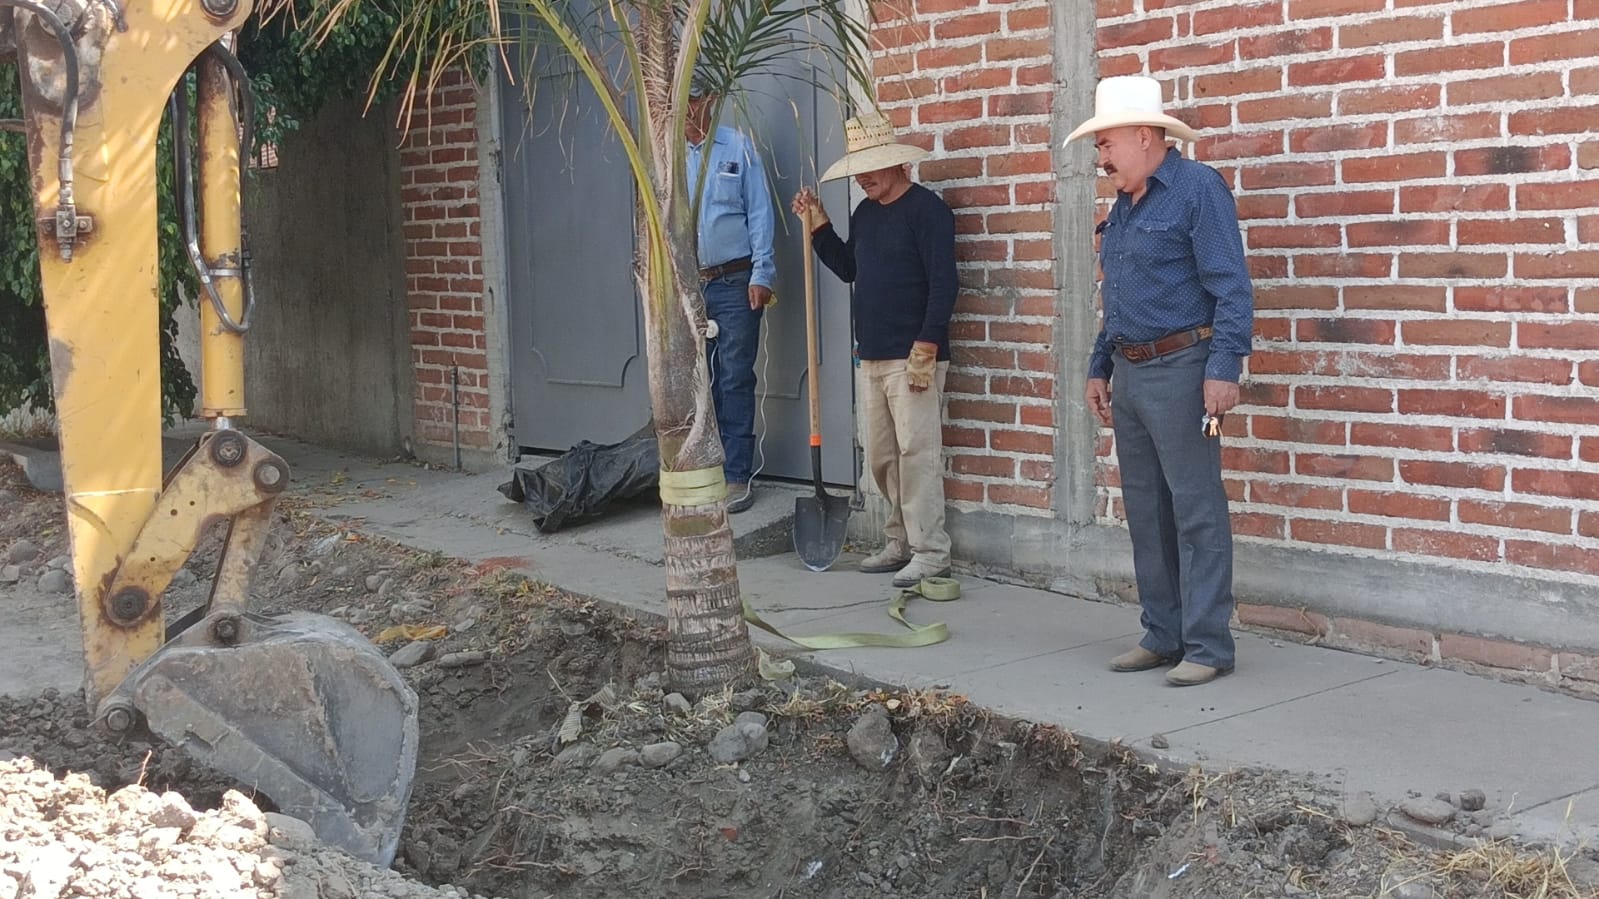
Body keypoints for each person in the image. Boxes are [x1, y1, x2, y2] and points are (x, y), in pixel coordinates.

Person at [1065, 75, 1254, 687]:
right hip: (1131, 371)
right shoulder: (1124, 207)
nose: (1101, 159)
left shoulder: (1199, 190)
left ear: (1145, 137)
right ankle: (1162, 634)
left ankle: (1208, 645)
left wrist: (1224, 369)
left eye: (1107, 145)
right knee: (1146, 510)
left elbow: (1231, 286)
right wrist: (1100, 365)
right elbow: (1117, 298)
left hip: (1183, 370)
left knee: (1196, 509)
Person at [791, 112, 957, 589]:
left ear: (898, 165)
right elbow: (848, 269)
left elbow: (944, 284)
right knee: (883, 455)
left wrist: (927, 344)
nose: (864, 178)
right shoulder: (865, 213)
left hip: (914, 355)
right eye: (858, 170)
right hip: (873, 355)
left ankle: (931, 551)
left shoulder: (928, 211)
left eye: (872, 168)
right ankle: (899, 539)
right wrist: (819, 225)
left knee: (916, 452)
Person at [686, 80, 776, 514]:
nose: (688, 108)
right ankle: (698, 471)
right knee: (693, 381)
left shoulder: (738, 148)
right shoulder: (665, 158)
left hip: (736, 282)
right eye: (680, 99)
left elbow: (759, 213)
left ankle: (737, 474)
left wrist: (763, 273)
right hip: (688, 286)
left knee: (735, 376)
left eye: (695, 98)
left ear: (710, 101)